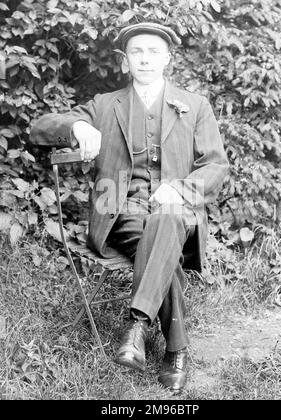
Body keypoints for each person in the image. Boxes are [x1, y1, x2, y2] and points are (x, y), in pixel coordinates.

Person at [30, 22, 229, 393]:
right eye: (137, 52)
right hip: (120, 213)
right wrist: (76, 127)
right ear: (126, 61)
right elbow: (39, 127)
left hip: (177, 211)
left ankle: (137, 325)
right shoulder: (105, 105)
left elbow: (216, 166)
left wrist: (181, 189)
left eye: (154, 52)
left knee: (168, 218)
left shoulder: (196, 106)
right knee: (160, 245)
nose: (146, 59)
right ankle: (175, 351)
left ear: (167, 59)